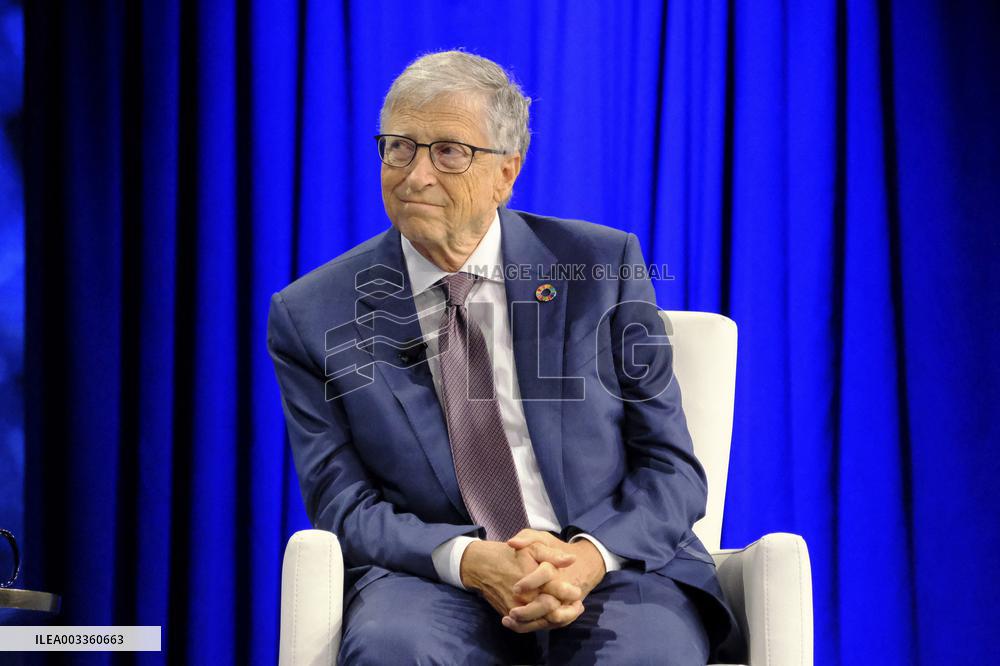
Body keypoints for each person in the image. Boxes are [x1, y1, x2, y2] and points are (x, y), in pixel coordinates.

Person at [267, 50, 744, 665]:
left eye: (449, 151)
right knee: (394, 651)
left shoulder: (601, 268)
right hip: (429, 580)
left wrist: (590, 556)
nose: (414, 175)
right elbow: (343, 504)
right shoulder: (312, 314)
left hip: (612, 569)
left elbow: (672, 468)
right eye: (398, 147)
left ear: (507, 173)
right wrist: (466, 559)